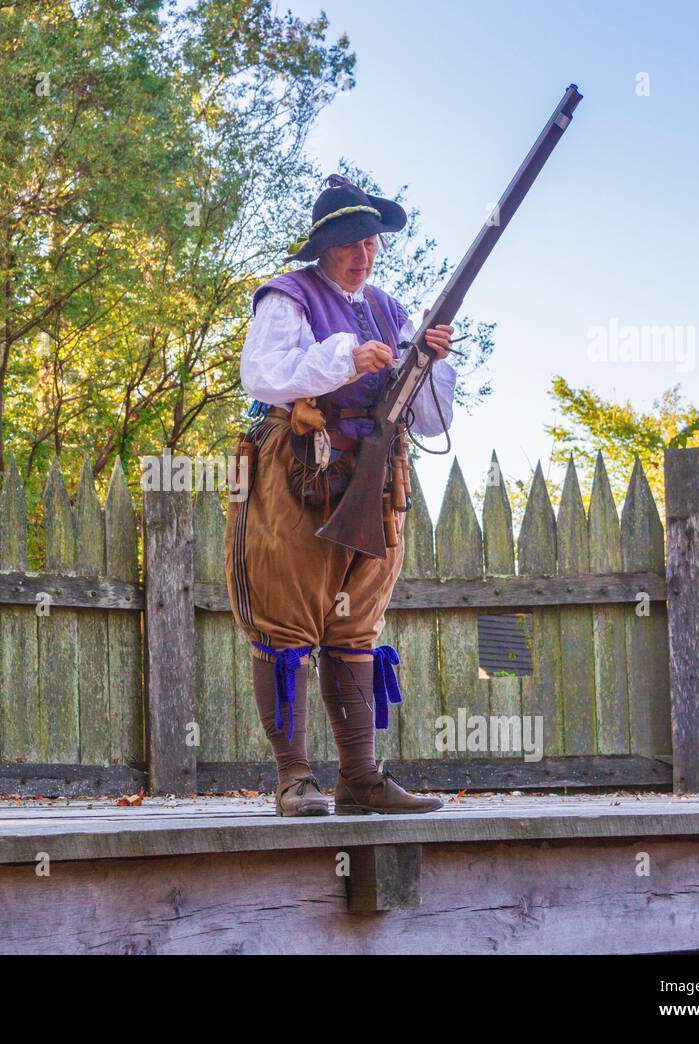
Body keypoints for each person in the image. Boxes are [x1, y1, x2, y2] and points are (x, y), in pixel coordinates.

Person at [224, 174, 457, 817]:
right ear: (324, 249)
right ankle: (295, 778)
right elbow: (265, 376)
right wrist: (345, 361)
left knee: (356, 628)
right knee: (285, 623)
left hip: (376, 482)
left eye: (371, 243)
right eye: (350, 244)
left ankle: (359, 776)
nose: (363, 255)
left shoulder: (391, 309)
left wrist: (428, 361)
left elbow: (434, 420)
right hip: (298, 476)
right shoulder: (289, 297)